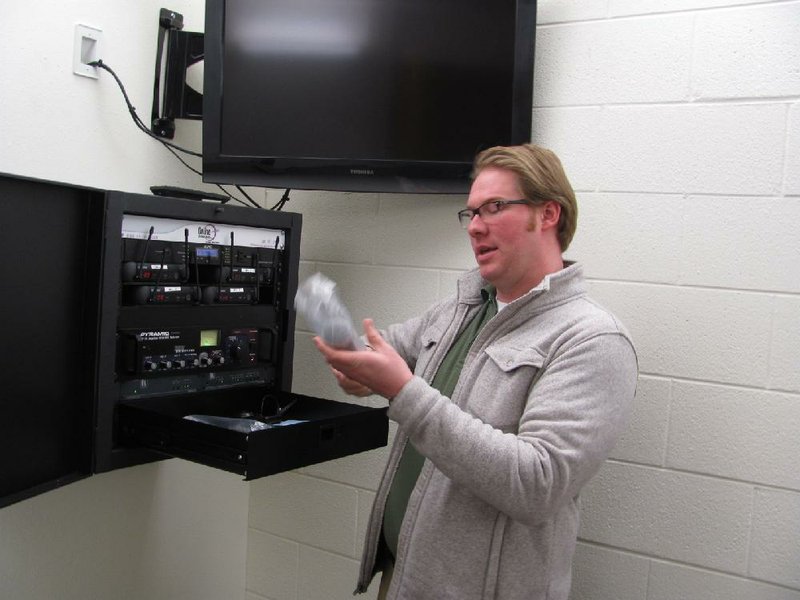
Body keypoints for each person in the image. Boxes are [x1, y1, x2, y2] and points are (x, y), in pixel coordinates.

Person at [313, 143, 638, 600]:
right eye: (471, 214)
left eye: (495, 207)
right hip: (404, 578)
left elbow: (537, 484)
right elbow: (390, 351)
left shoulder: (592, 340)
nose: (477, 227)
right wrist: (357, 362)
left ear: (548, 214)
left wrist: (401, 390)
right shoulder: (464, 306)